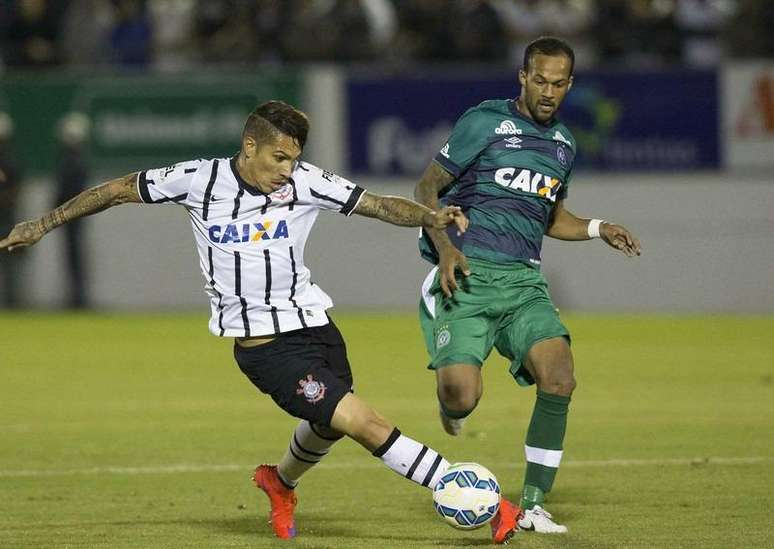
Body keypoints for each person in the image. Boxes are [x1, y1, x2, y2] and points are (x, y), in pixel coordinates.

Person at [0, 100, 523, 543]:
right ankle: (474, 496)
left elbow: (378, 204)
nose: (287, 170)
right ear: (249, 146)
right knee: (364, 423)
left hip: (316, 326)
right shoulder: (196, 180)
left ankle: (279, 482)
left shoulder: (305, 181)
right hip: (267, 349)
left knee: (328, 424)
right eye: (279, 157)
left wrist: (429, 216)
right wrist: (42, 223)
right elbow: (115, 190)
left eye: (294, 160)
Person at [414, 37, 641, 534]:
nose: (548, 92)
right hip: (468, 275)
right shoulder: (484, 123)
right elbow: (426, 186)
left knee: (559, 375)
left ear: (569, 86)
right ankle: (450, 403)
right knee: (460, 398)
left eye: (559, 84)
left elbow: (551, 218)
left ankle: (534, 503)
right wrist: (446, 246)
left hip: (523, 284)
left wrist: (600, 227)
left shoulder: (564, 145)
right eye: (540, 80)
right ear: (522, 77)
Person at [55, 112, 91, 308]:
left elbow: (68, 191)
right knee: (74, 257)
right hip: (74, 216)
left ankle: (78, 299)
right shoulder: (76, 160)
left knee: (75, 257)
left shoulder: (72, 162)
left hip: (72, 216)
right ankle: (77, 297)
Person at [0, 112, 24, 309]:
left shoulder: (10, 162)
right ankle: (11, 301)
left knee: (10, 263)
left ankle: (12, 301)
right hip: (6, 217)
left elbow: (14, 192)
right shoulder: (11, 160)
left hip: (5, 219)